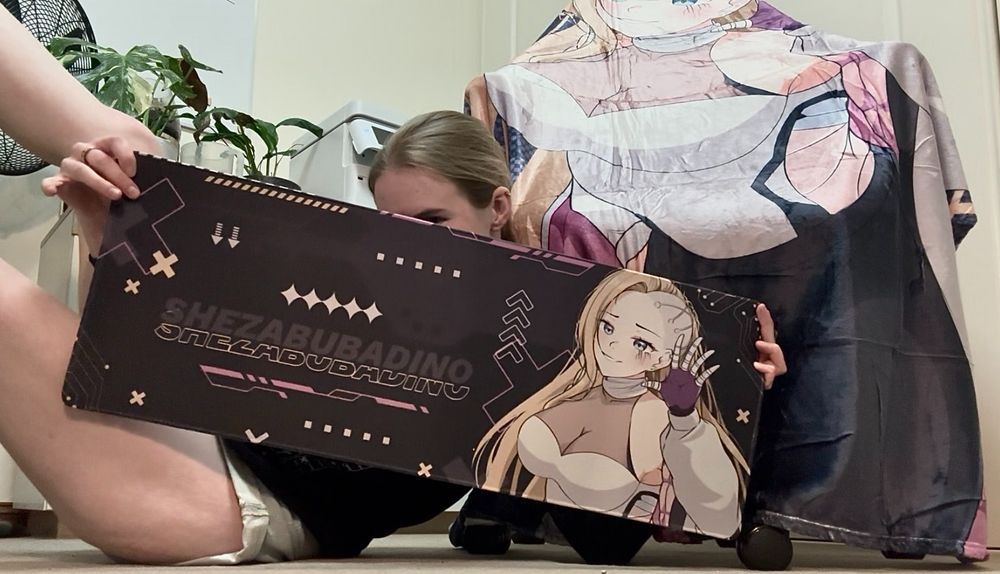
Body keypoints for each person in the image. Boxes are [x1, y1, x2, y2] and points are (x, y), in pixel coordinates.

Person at [11, 105, 785, 564]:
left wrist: (734, 396)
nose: (413, 245)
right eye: (392, 226)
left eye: (434, 222)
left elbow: (604, 539)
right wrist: (106, 231)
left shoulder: (556, 341)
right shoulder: (363, 295)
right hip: (185, 440)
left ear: (498, 208)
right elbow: (159, 360)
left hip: (239, 504)